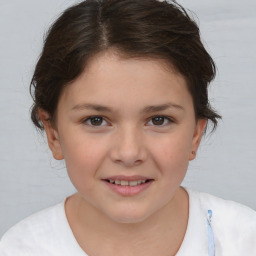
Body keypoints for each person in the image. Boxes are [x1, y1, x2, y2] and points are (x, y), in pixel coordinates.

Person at [0, 0, 255, 255]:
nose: (129, 153)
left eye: (159, 120)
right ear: (53, 134)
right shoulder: (18, 249)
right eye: (96, 120)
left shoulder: (245, 241)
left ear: (195, 135)